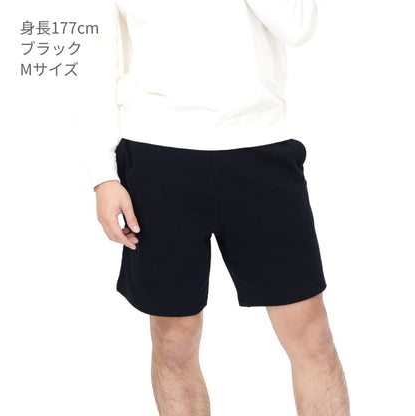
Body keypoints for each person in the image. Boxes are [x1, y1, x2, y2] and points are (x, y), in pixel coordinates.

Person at [81, 0, 350, 414]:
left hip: (260, 149)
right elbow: (94, 58)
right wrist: (102, 175)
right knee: (175, 340)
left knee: (311, 336)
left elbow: (299, 27)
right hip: (158, 154)